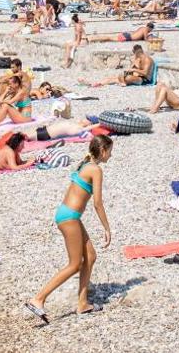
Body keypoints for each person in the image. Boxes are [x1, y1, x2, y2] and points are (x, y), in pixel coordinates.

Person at [25, 133, 113, 322]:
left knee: (90, 256)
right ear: (103, 150)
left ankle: (82, 303)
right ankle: (38, 299)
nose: (111, 156)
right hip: (69, 218)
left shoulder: (86, 164)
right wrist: (107, 228)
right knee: (74, 264)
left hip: (68, 215)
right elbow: (98, 203)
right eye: (110, 152)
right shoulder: (95, 169)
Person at [82, 44, 154, 87]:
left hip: (144, 80)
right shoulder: (138, 59)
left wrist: (134, 69)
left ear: (136, 52)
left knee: (126, 77)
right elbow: (131, 69)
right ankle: (96, 83)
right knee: (116, 76)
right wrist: (134, 63)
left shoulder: (147, 60)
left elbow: (145, 73)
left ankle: (121, 82)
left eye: (133, 53)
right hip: (136, 76)